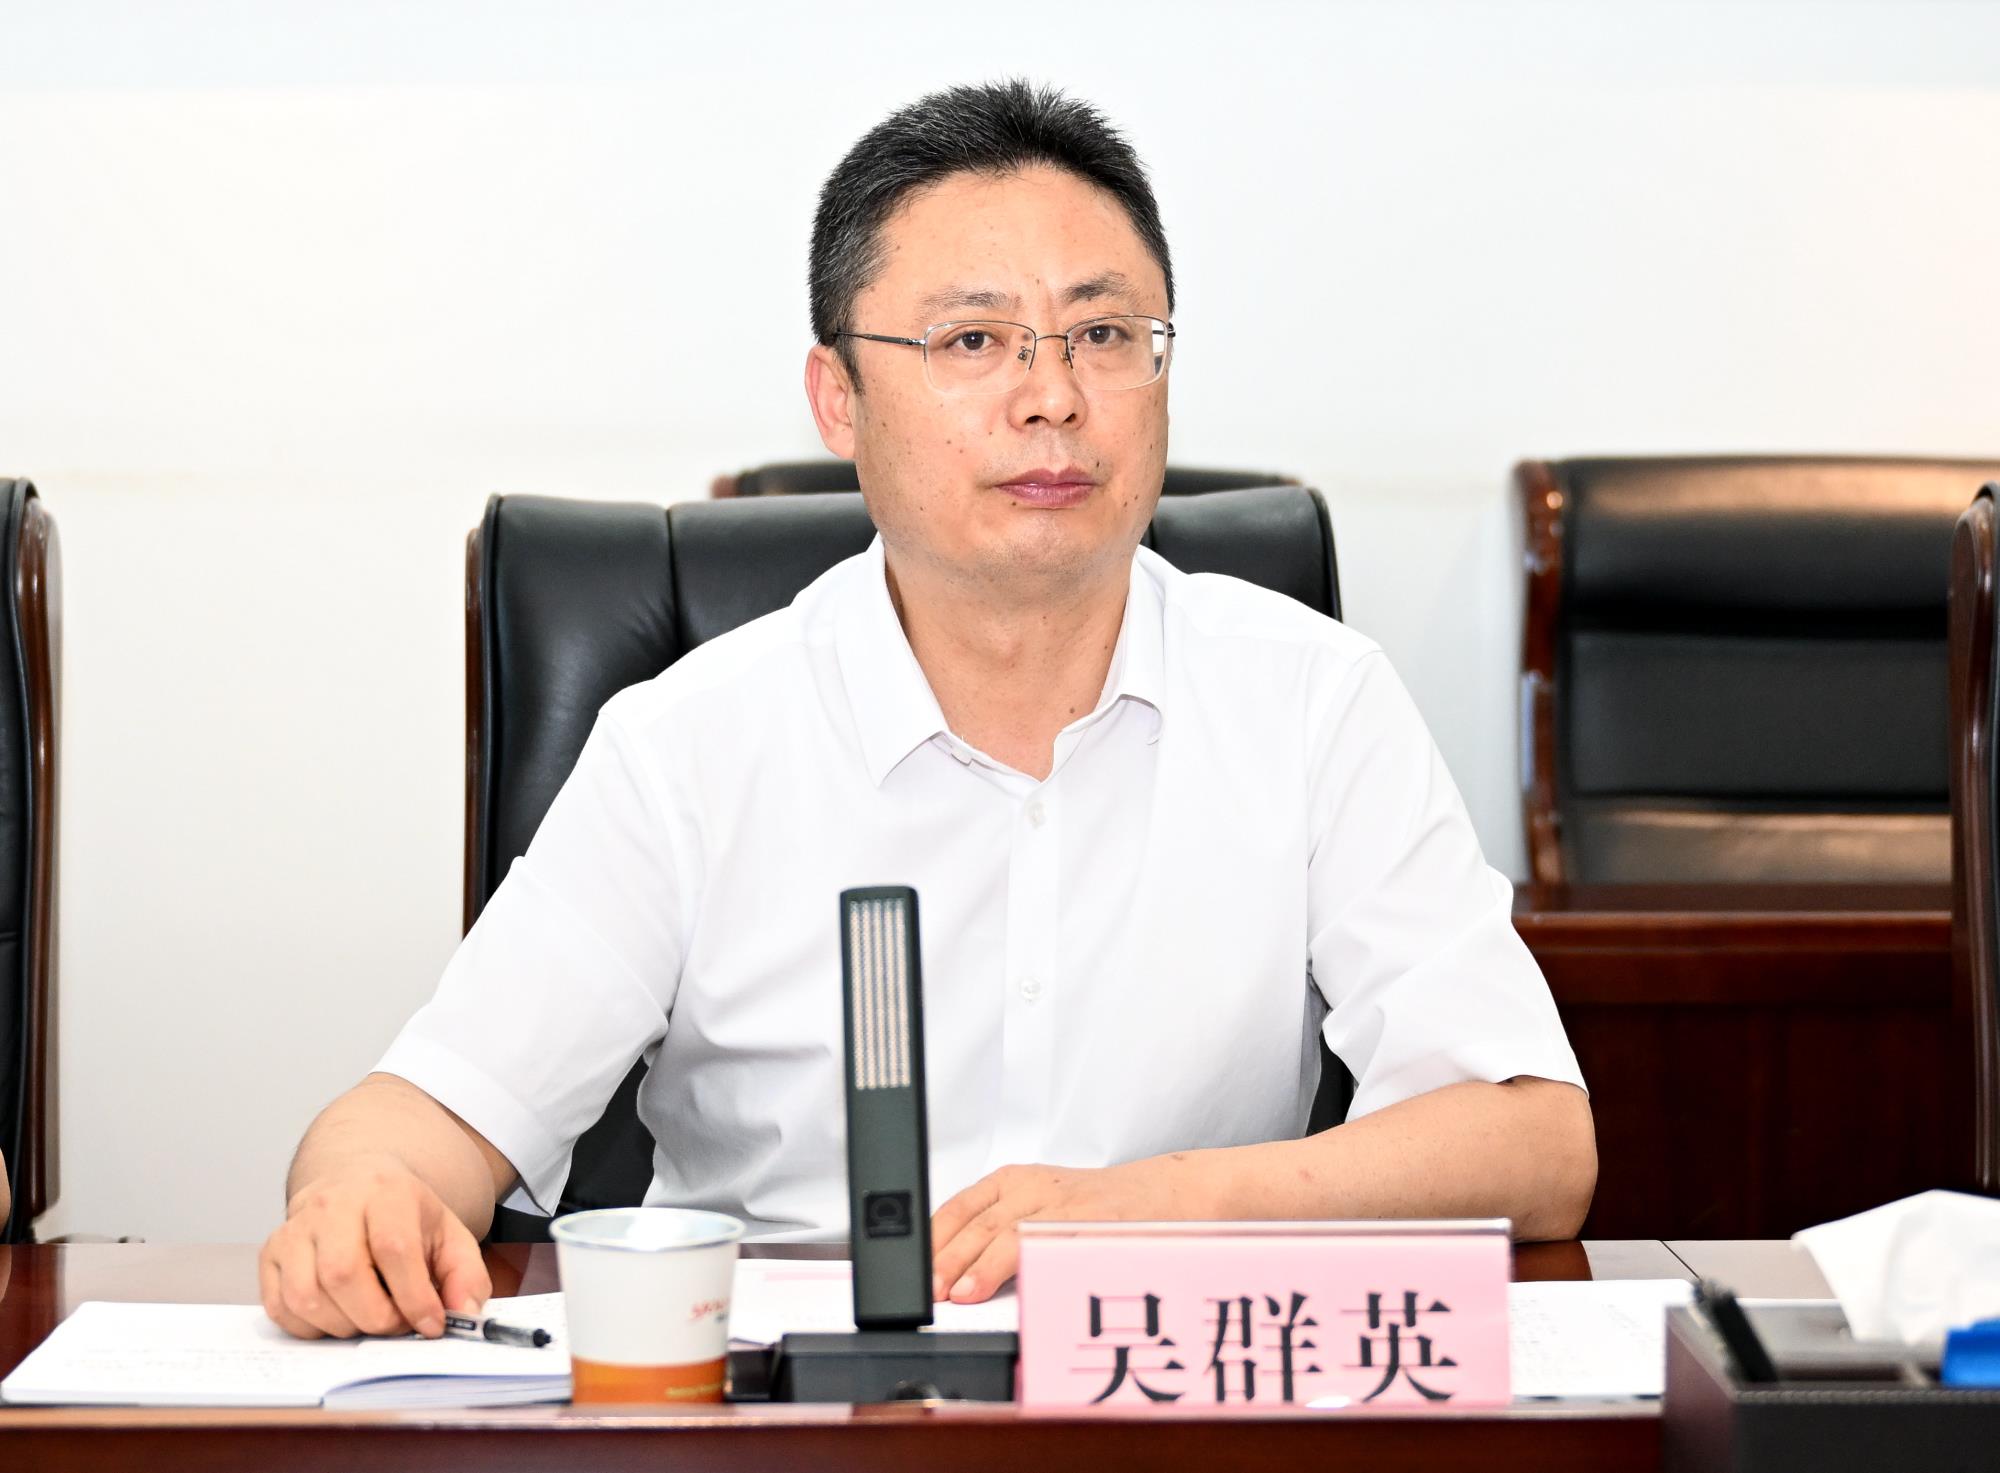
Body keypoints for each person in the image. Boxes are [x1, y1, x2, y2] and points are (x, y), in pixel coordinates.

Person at [260, 81, 1594, 1341]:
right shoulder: (692, 743)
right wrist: (361, 1198)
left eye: (1104, 336)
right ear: (838, 399)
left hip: (1159, 1398)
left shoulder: (1309, 699)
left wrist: (1158, 1206)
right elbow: (422, 1117)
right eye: (972, 341)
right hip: (783, 1410)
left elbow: (1536, 1144)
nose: (1053, 397)